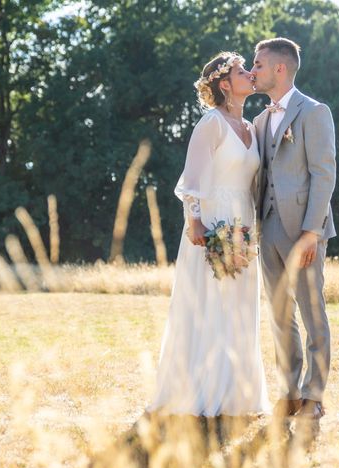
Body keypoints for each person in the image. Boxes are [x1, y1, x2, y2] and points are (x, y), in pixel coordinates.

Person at [147, 52, 270, 417]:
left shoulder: (252, 128)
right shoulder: (211, 123)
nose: (249, 73)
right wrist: (195, 222)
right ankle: (199, 389)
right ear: (224, 84)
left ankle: (238, 393)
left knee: (239, 304)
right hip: (214, 222)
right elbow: (193, 180)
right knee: (211, 302)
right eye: (240, 70)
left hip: (243, 224)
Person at [250, 38, 337, 421]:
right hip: (267, 229)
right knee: (280, 315)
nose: (253, 72)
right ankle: (288, 392)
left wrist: (311, 232)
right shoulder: (259, 120)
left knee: (312, 312)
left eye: (258, 65)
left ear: (280, 68)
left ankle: (314, 396)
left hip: (303, 230)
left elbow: (324, 173)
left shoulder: (314, 112)